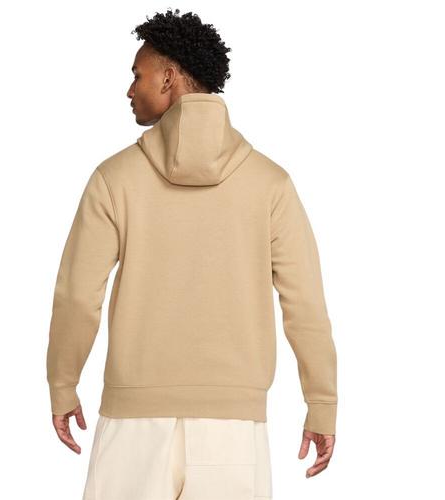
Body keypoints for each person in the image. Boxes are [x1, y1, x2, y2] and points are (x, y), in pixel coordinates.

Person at [46, 8, 337, 500]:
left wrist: (62, 383)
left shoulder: (114, 179)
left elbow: (78, 296)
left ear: (168, 77)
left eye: (137, 75)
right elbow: (305, 305)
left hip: (133, 427)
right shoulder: (270, 184)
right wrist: (322, 405)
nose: (130, 89)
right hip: (234, 429)